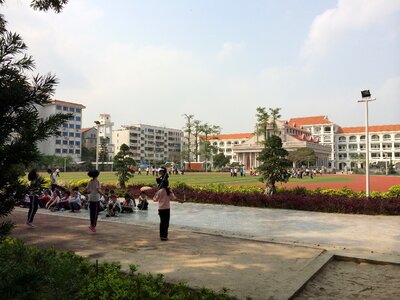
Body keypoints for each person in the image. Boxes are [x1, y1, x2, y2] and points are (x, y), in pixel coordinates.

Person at [153, 167, 176, 241]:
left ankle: (161, 236)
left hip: (161, 209)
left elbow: (155, 200)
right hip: (167, 209)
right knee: (166, 223)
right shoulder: (169, 190)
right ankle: (165, 236)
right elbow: (173, 198)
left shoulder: (160, 191)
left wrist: (154, 198)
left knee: (162, 222)